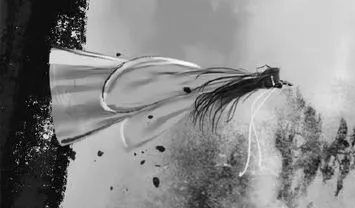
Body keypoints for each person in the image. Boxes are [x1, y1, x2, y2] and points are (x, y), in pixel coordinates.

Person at [48, 48, 289, 153]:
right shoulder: (228, 81)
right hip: (175, 87)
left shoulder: (231, 81)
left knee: (129, 93)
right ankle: (69, 94)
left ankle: (69, 92)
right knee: (132, 93)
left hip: (178, 87)